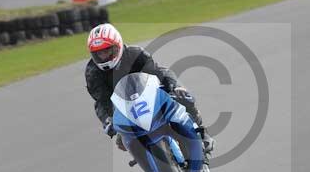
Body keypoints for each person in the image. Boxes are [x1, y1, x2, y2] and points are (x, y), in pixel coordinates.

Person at [85, 23, 215, 153]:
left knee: (184, 98)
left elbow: (159, 72)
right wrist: (108, 120)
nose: (104, 56)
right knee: (122, 142)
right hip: (126, 110)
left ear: (118, 45)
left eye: (107, 50)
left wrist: (174, 87)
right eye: (99, 53)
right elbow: (101, 101)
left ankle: (202, 132)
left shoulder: (135, 54)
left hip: (151, 95)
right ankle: (150, 162)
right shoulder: (92, 72)